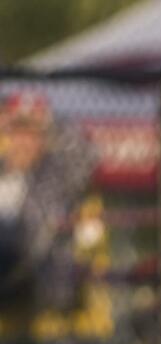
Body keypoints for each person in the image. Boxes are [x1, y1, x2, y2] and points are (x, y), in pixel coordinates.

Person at [0, 91, 97, 328]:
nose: (24, 141)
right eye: (16, 131)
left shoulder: (57, 175)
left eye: (32, 133)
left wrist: (52, 123)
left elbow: (87, 155)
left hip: (39, 268)